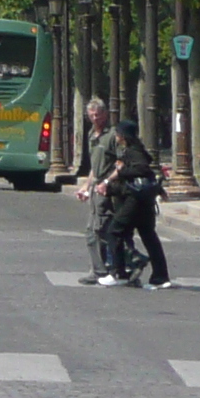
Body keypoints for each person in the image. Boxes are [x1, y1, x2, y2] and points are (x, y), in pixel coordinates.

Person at [98, 118, 171, 289]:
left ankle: (119, 273)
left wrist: (122, 171)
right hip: (144, 200)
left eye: (117, 132)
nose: (115, 135)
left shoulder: (132, 152)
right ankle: (161, 276)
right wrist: (110, 189)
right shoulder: (137, 150)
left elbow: (141, 170)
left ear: (123, 135)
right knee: (149, 237)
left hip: (135, 200)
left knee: (114, 231)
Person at [72, 100, 119, 279]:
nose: (94, 118)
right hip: (96, 188)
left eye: (97, 114)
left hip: (106, 190)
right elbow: (94, 167)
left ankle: (103, 269)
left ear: (105, 114)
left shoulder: (113, 136)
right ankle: (106, 267)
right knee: (97, 231)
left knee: (97, 230)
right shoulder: (92, 134)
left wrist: (106, 182)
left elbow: (121, 164)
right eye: (91, 115)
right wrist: (86, 185)